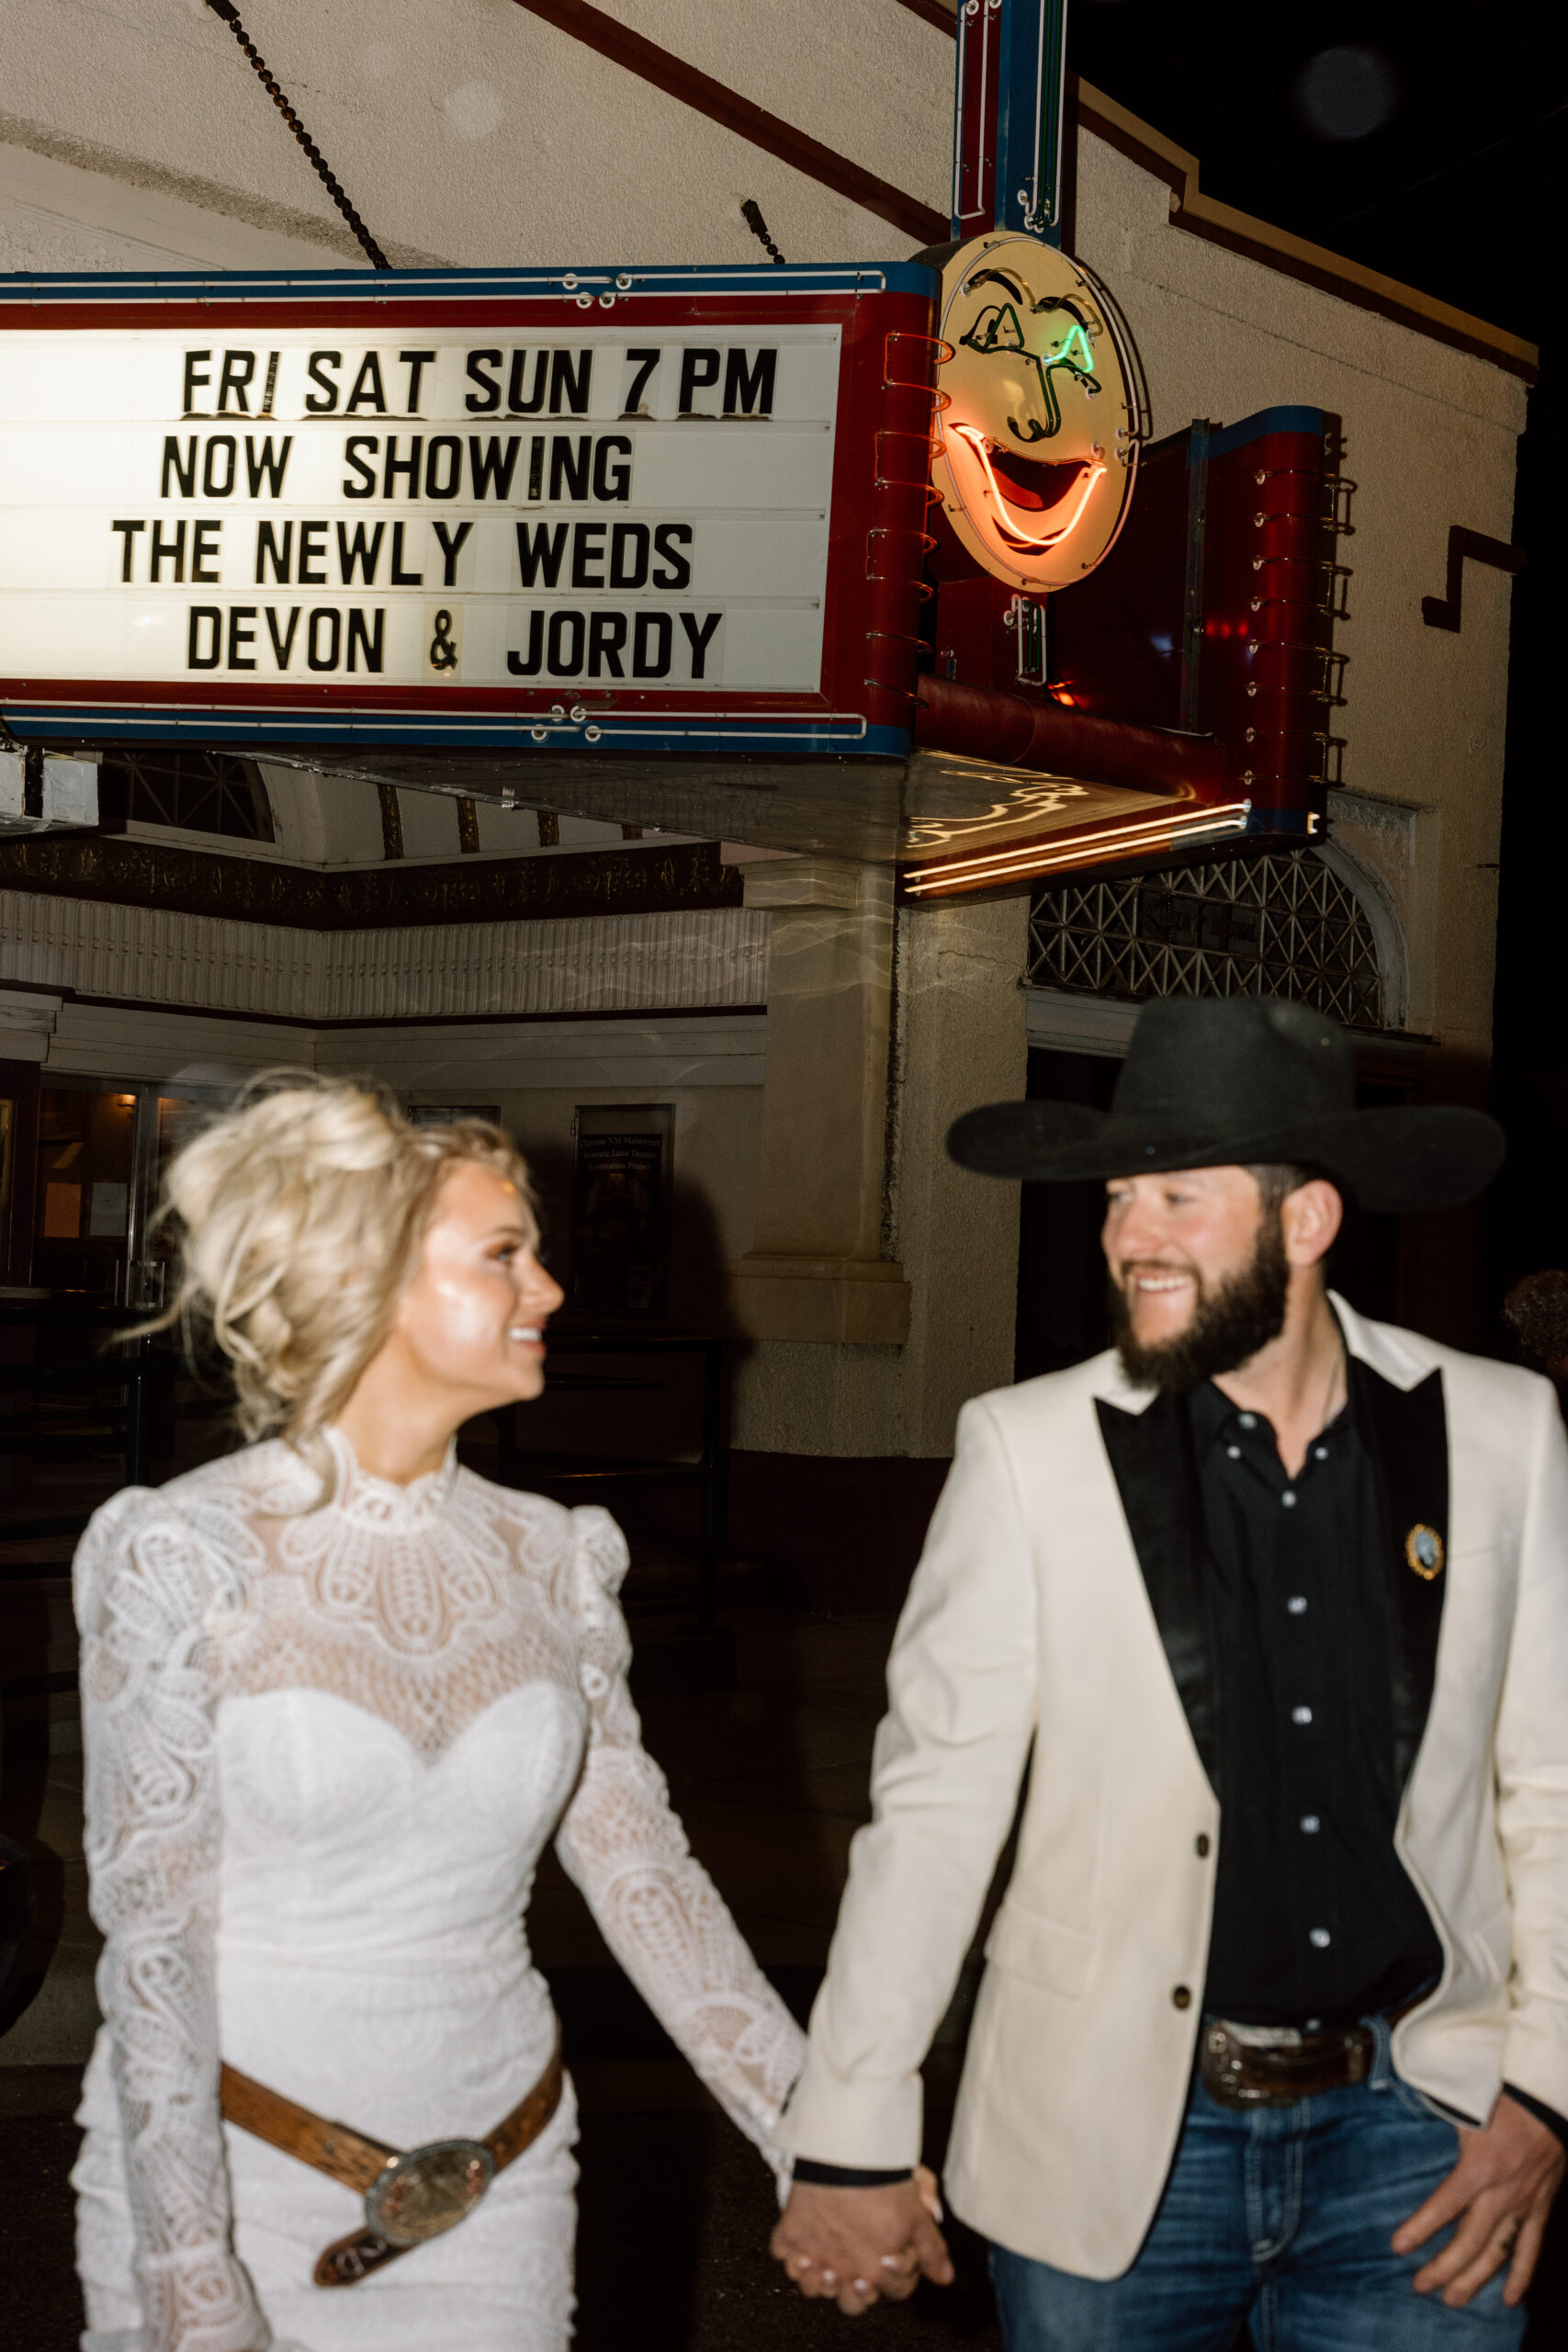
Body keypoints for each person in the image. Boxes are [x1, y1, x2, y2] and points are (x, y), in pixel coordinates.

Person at [770, 994, 1568, 2347]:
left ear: (1304, 1222)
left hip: (1416, 2129)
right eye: (1120, 1199)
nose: (1127, 1236)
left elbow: (1550, 1782)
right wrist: (848, 2128)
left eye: (1176, 1200)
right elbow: (935, 1813)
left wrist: (1545, 2091)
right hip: (1110, 2131)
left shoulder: (1499, 1427)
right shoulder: (1028, 1451)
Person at [71, 1076, 804, 2352]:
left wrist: (814, 2133)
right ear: (374, 1280)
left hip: (502, 2175)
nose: (552, 1293)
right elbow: (153, 1943)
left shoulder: (554, 1555)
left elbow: (647, 1877)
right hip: (233, 2174)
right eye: (507, 1255)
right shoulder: (179, 1551)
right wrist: (190, 2263)